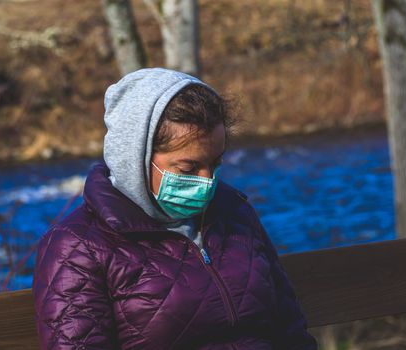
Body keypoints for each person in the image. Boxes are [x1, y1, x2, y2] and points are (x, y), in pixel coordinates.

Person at [32, 68, 317, 350]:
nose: (207, 182)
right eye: (188, 168)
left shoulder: (235, 213)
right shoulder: (79, 246)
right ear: (136, 158)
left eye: (215, 164)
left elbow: (290, 330)